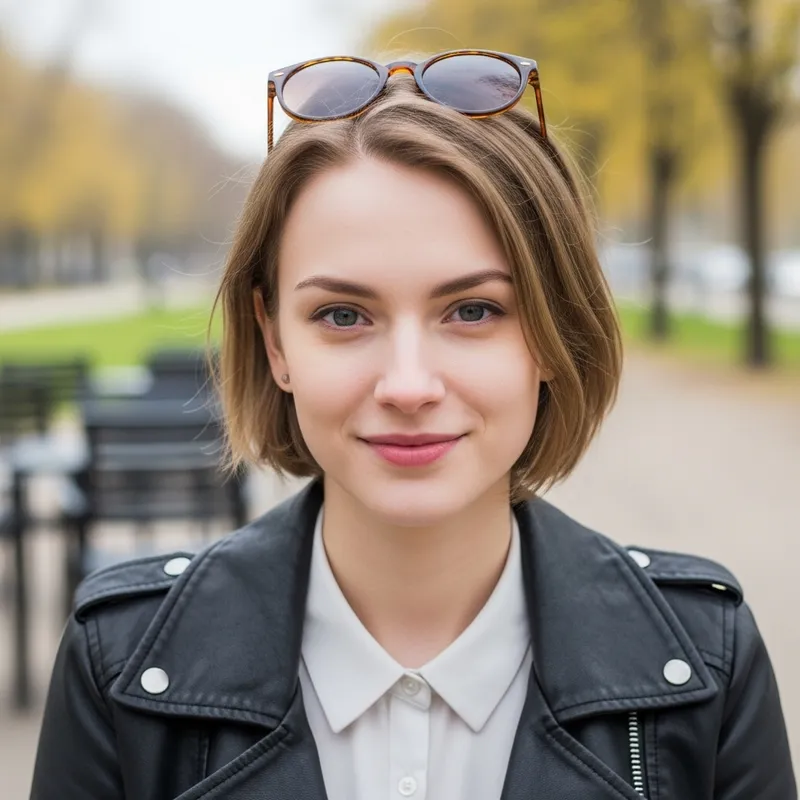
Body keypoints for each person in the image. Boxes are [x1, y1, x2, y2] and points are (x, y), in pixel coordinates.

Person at [31, 51, 795, 800]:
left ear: (553, 330)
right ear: (273, 341)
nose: (407, 385)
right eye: (342, 315)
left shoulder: (709, 662)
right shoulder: (117, 668)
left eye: (473, 311)